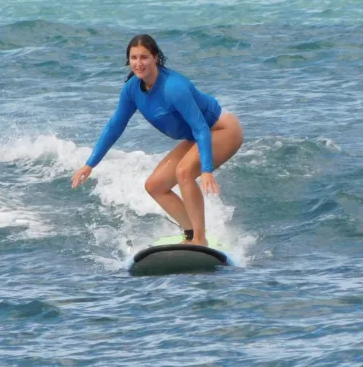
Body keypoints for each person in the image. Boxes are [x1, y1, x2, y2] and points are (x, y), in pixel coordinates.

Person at [71, 34, 243, 246]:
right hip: (198, 135)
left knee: (184, 172)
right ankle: (190, 233)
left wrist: (206, 170)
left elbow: (200, 128)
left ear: (155, 58)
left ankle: (200, 240)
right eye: (133, 58)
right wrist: (89, 165)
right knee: (155, 185)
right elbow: (115, 127)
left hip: (223, 130)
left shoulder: (173, 87)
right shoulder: (132, 89)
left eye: (144, 57)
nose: (138, 63)